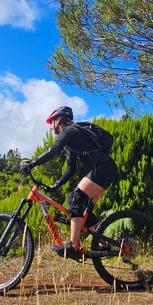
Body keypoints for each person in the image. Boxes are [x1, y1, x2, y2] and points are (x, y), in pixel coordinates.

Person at [19, 106, 118, 260]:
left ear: (58, 120)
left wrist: (32, 164)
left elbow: (54, 150)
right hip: (105, 170)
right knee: (83, 207)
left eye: (51, 122)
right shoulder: (73, 140)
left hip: (103, 168)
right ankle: (103, 244)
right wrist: (56, 185)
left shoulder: (70, 131)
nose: (51, 127)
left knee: (75, 198)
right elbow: (71, 168)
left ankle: (73, 246)